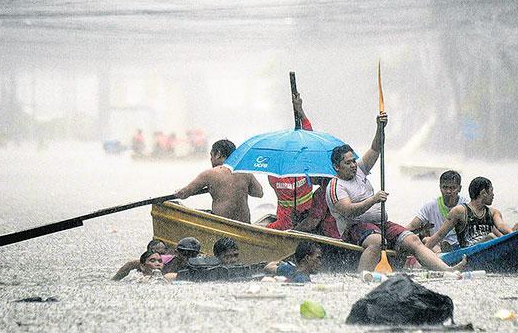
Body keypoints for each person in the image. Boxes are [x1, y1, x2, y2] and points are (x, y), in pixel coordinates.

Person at [326, 112, 465, 273]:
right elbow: (348, 210)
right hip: (355, 228)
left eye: (353, 161)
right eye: (348, 163)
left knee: (413, 240)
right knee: (377, 241)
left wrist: (380, 127)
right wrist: (373, 200)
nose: (353, 165)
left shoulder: (359, 170)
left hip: (381, 224)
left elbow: (375, 148)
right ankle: (362, 277)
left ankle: (448, 271)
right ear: (337, 167)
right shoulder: (336, 186)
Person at [424, 177, 518, 250]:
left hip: (493, 244)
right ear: (483, 193)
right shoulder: (459, 211)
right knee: (490, 237)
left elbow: (501, 226)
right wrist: (422, 253)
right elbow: (439, 235)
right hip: (470, 250)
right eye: (491, 191)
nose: (493, 195)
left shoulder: (493, 212)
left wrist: (515, 238)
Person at [266, 92, 320, 231]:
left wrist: (300, 110)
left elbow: (310, 137)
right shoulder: (274, 173)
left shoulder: (303, 167)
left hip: (308, 220)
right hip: (284, 224)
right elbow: (309, 138)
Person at [175, 139, 263, 223]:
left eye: (211, 155)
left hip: (221, 224)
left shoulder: (210, 174)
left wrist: (178, 192)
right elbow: (259, 193)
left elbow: (183, 194)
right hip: (244, 225)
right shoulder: (245, 172)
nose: (211, 159)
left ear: (218, 154)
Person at [407, 170, 469, 253]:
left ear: (459, 188)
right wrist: (397, 235)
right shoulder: (430, 206)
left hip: (463, 246)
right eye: (445, 187)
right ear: (440, 187)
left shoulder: (467, 206)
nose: (448, 191)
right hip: (436, 245)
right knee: (426, 239)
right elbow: (412, 225)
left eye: (452, 188)